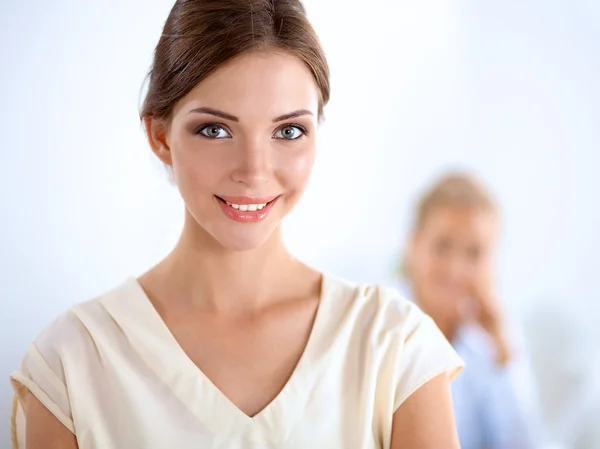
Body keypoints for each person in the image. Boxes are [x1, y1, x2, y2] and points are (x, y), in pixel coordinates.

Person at [9, 1, 465, 448]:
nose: (254, 170)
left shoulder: (394, 346)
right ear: (160, 136)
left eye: (288, 131)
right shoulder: (71, 363)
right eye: (215, 129)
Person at [399, 172, 544, 449]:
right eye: (443, 247)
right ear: (413, 244)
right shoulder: (379, 323)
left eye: (475, 253)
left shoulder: (489, 340)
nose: (456, 269)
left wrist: (504, 354)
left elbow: (525, 443)